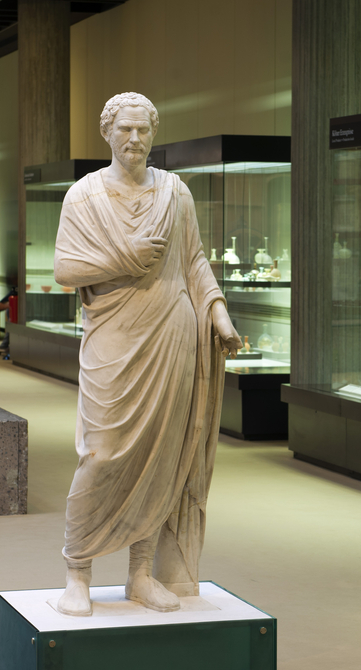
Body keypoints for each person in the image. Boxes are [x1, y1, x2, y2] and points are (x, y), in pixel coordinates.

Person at [52, 92, 242, 616]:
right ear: (107, 133)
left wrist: (219, 314)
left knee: (161, 456)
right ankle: (77, 571)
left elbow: (195, 260)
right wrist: (124, 257)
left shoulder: (176, 193)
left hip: (172, 333)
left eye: (143, 131)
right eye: (125, 130)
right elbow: (66, 269)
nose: (134, 140)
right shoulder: (84, 197)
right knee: (102, 453)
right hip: (114, 339)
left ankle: (139, 573)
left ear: (153, 134)